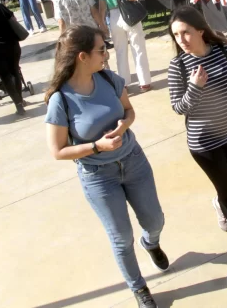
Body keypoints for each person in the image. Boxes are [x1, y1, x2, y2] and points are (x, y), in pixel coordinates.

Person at [45, 26, 168, 308]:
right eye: (101, 49)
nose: (106, 53)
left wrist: (123, 125)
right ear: (82, 56)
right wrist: (97, 146)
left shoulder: (109, 79)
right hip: (98, 177)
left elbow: (129, 110)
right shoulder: (60, 100)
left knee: (155, 220)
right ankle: (139, 289)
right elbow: (57, 151)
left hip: (134, 162)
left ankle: (151, 243)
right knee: (121, 237)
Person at [167, 5, 227, 263]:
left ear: (200, 30)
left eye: (186, 33)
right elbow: (178, 108)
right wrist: (194, 87)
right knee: (226, 188)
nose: (182, 40)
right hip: (203, 141)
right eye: (176, 35)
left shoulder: (222, 51)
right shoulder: (177, 66)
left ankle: (220, 203)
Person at [97, 0, 152, 91]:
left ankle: (124, 83)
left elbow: (102, 7)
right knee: (138, 48)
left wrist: (102, 24)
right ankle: (144, 81)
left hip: (114, 16)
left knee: (120, 51)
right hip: (128, 14)